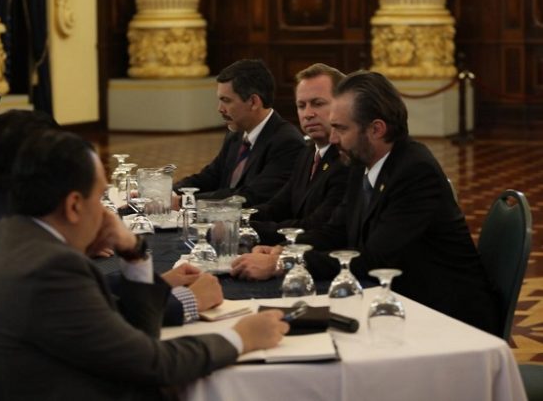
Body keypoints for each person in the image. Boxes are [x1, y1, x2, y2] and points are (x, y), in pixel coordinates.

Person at [0, 129, 288, 400]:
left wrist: (134, 254)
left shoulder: (11, 237)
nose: (106, 213)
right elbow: (153, 364)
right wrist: (240, 338)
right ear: (74, 206)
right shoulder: (51, 269)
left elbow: (139, 337)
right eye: (100, 198)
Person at [231, 71, 500, 335]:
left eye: (341, 128)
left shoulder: (414, 171)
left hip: (446, 316)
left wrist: (283, 263)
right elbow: (334, 231)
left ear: (376, 129)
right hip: (392, 300)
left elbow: (375, 259)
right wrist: (281, 250)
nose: (333, 139)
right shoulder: (360, 164)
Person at [0, 110, 221, 326]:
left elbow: (71, 293)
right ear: (29, 162)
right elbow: (100, 325)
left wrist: (155, 284)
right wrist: (185, 302)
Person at [173, 59, 304, 207]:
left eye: (226, 101)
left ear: (253, 102)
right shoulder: (236, 134)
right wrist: (170, 192)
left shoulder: (287, 142)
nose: (220, 109)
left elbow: (251, 196)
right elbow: (210, 176)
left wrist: (185, 202)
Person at [245, 63, 350, 246]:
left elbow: (314, 225)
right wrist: (235, 217)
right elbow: (278, 206)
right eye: (301, 106)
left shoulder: (347, 159)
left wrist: (247, 230)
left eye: (318, 103)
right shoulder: (307, 152)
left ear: (343, 105)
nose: (308, 114)